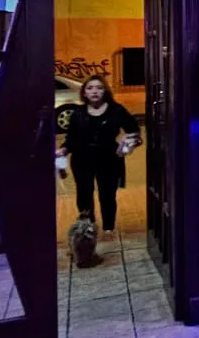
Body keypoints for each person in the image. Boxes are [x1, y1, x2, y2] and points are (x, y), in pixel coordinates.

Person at [57, 75, 140, 232]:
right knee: (84, 194)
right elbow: (71, 139)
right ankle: (88, 228)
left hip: (108, 158)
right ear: (84, 93)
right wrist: (64, 150)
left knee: (107, 195)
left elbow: (134, 131)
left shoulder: (116, 110)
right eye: (90, 88)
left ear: (105, 91)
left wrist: (126, 144)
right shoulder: (78, 113)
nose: (94, 91)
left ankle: (109, 228)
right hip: (82, 158)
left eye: (99, 88)